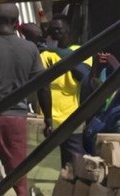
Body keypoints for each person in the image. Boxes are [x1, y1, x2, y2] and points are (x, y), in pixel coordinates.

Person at [0, 3, 51, 196]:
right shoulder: (30, 48)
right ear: (16, 22)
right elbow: (43, 86)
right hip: (17, 120)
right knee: (19, 177)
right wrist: (48, 119)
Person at [39, 13, 90, 168]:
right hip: (48, 120)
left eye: (59, 29)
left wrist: (59, 52)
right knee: (49, 165)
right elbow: (42, 86)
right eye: (52, 29)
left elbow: (83, 75)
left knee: (76, 162)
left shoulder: (80, 51)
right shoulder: (45, 54)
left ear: (69, 31)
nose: (55, 32)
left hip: (72, 117)